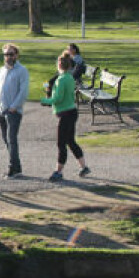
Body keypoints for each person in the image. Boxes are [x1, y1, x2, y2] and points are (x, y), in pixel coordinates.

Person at [40, 52, 91, 182]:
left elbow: (58, 98)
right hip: (71, 111)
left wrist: (46, 101)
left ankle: (58, 171)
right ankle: (84, 166)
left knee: (61, 143)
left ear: (59, 65)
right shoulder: (69, 77)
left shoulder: (62, 79)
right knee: (70, 141)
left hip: (66, 114)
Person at [0, 43, 29, 178]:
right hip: (1, 109)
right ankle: (17, 166)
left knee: (11, 139)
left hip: (13, 111)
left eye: (11, 54)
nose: (8, 57)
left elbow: (23, 91)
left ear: (16, 55)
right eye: (6, 54)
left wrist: (15, 106)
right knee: (6, 139)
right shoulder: (2, 70)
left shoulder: (22, 70)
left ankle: (12, 167)